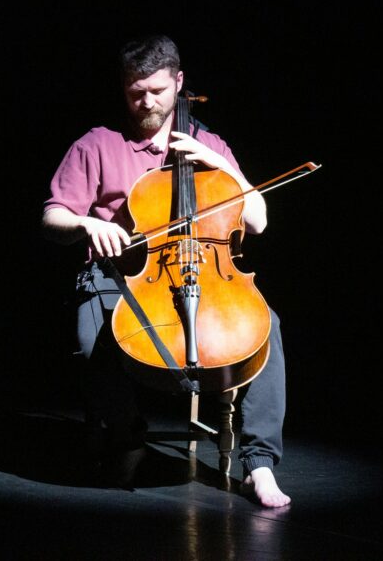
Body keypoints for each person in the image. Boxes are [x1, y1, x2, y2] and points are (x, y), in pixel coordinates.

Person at [41, 35, 291, 508]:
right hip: (125, 278)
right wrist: (86, 221)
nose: (147, 101)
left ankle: (259, 464)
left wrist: (225, 169)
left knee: (266, 328)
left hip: (206, 273)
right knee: (91, 336)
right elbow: (52, 216)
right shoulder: (98, 144)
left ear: (178, 82)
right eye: (136, 92)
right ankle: (129, 438)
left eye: (156, 90)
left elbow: (256, 220)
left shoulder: (208, 144)